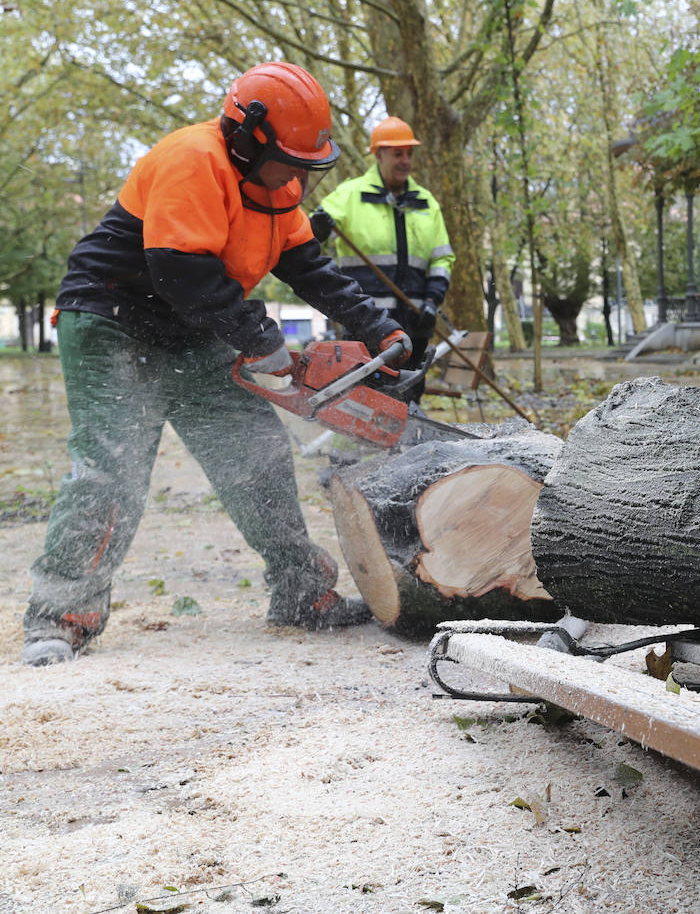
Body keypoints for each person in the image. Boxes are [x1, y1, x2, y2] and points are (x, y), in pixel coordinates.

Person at [20, 62, 412, 667]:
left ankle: (301, 593)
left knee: (256, 451)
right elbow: (183, 271)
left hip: (194, 324)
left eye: (307, 167)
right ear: (249, 138)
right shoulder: (192, 158)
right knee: (112, 467)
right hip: (114, 318)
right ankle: (61, 614)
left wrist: (377, 325)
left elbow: (308, 266)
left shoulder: (277, 189)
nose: (297, 180)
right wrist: (261, 338)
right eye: (290, 163)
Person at [310, 116, 453, 401]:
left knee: (410, 397)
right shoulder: (349, 195)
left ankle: (411, 445)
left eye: (409, 153)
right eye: (397, 153)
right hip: (367, 321)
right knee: (365, 398)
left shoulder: (427, 203)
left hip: (416, 322)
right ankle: (360, 446)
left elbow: (442, 260)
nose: (405, 161)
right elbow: (303, 239)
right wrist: (317, 228)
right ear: (378, 154)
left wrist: (431, 302)